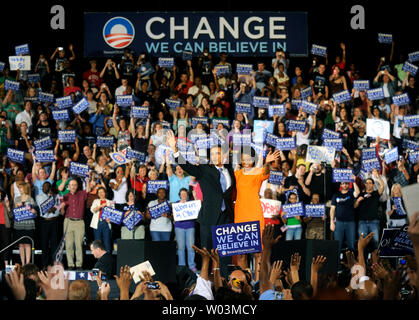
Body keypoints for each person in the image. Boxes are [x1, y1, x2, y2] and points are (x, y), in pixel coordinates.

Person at [166, 130, 235, 277]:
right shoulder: (204, 170)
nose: (217, 156)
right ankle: (205, 282)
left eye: (219, 153)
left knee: (225, 254)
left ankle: (223, 281)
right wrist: (175, 149)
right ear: (210, 157)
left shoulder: (230, 169)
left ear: (224, 155)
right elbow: (187, 166)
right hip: (209, 218)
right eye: (214, 154)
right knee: (207, 255)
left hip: (226, 218)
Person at [234, 148, 280, 269]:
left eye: (249, 158)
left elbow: (265, 173)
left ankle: (260, 284)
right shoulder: (237, 174)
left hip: (254, 215)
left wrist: (267, 162)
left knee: (258, 254)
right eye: (243, 158)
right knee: (241, 255)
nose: (246, 161)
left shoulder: (257, 172)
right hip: (240, 216)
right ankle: (244, 284)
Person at [61, 178, 91, 270]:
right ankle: (70, 264)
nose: (73, 186)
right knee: (69, 244)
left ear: (77, 186)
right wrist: (62, 207)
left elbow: (88, 190)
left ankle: (79, 264)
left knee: (79, 244)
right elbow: (62, 213)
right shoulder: (65, 196)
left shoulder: (81, 194)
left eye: (75, 185)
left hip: (79, 222)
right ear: (68, 187)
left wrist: (87, 181)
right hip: (68, 221)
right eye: (71, 185)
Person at [330, 179, 360, 257]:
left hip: (350, 223)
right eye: (343, 183)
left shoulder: (351, 193)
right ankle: (337, 267)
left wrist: (353, 181)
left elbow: (357, 193)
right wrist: (331, 222)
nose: (345, 185)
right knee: (337, 246)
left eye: (346, 183)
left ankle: (351, 266)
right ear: (340, 185)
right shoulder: (336, 195)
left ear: (348, 184)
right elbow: (332, 209)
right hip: (339, 223)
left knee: (351, 245)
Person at [355, 174, 385, 251]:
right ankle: (363, 261)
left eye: (370, 183)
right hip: (362, 222)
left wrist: (378, 177)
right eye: (367, 183)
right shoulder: (361, 194)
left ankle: (374, 262)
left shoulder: (376, 193)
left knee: (375, 242)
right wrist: (358, 201)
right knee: (362, 244)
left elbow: (382, 186)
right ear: (365, 185)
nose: (368, 184)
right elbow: (355, 206)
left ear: (373, 185)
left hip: (374, 221)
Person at [35, 182, 60, 269]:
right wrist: (49, 208)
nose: (45, 188)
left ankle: (54, 263)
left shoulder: (55, 196)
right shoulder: (39, 197)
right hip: (44, 222)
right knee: (44, 243)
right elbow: (43, 209)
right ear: (42, 188)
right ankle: (45, 264)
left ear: (49, 187)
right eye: (44, 186)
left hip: (54, 221)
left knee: (54, 243)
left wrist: (52, 207)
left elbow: (58, 209)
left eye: (47, 186)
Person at [13, 182, 37, 266]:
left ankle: (27, 264)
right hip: (19, 225)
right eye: (19, 188)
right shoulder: (16, 199)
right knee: (21, 245)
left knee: (27, 244)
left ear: (25, 188)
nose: (19, 190)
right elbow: (14, 212)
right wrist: (17, 207)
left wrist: (33, 211)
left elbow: (35, 213)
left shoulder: (30, 199)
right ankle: (22, 264)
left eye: (21, 188)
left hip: (28, 224)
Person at [174, 188, 197, 272]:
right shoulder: (176, 204)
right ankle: (182, 266)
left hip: (190, 227)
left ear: (187, 195)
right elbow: (174, 215)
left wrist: (195, 196)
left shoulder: (191, 203)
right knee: (181, 248)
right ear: (179, 195)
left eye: (185, 194)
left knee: (191, 248)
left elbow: (198, 208)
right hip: (179, 227)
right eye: (182, 194)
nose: (183, 195)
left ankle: (192, 266)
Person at [90, 187, 113, 253]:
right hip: (98, 223)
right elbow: (93, 210)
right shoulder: (96, 201)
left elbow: (113, 214)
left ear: (105, 193)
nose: (101, 194)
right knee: (98, 242)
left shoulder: (110, 202)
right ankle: (99, 259)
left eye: (102, 192)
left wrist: (110, 220)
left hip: (106, 223)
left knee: (107, 241)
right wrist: (101, 206)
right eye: (99, 192)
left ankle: (107, 258)